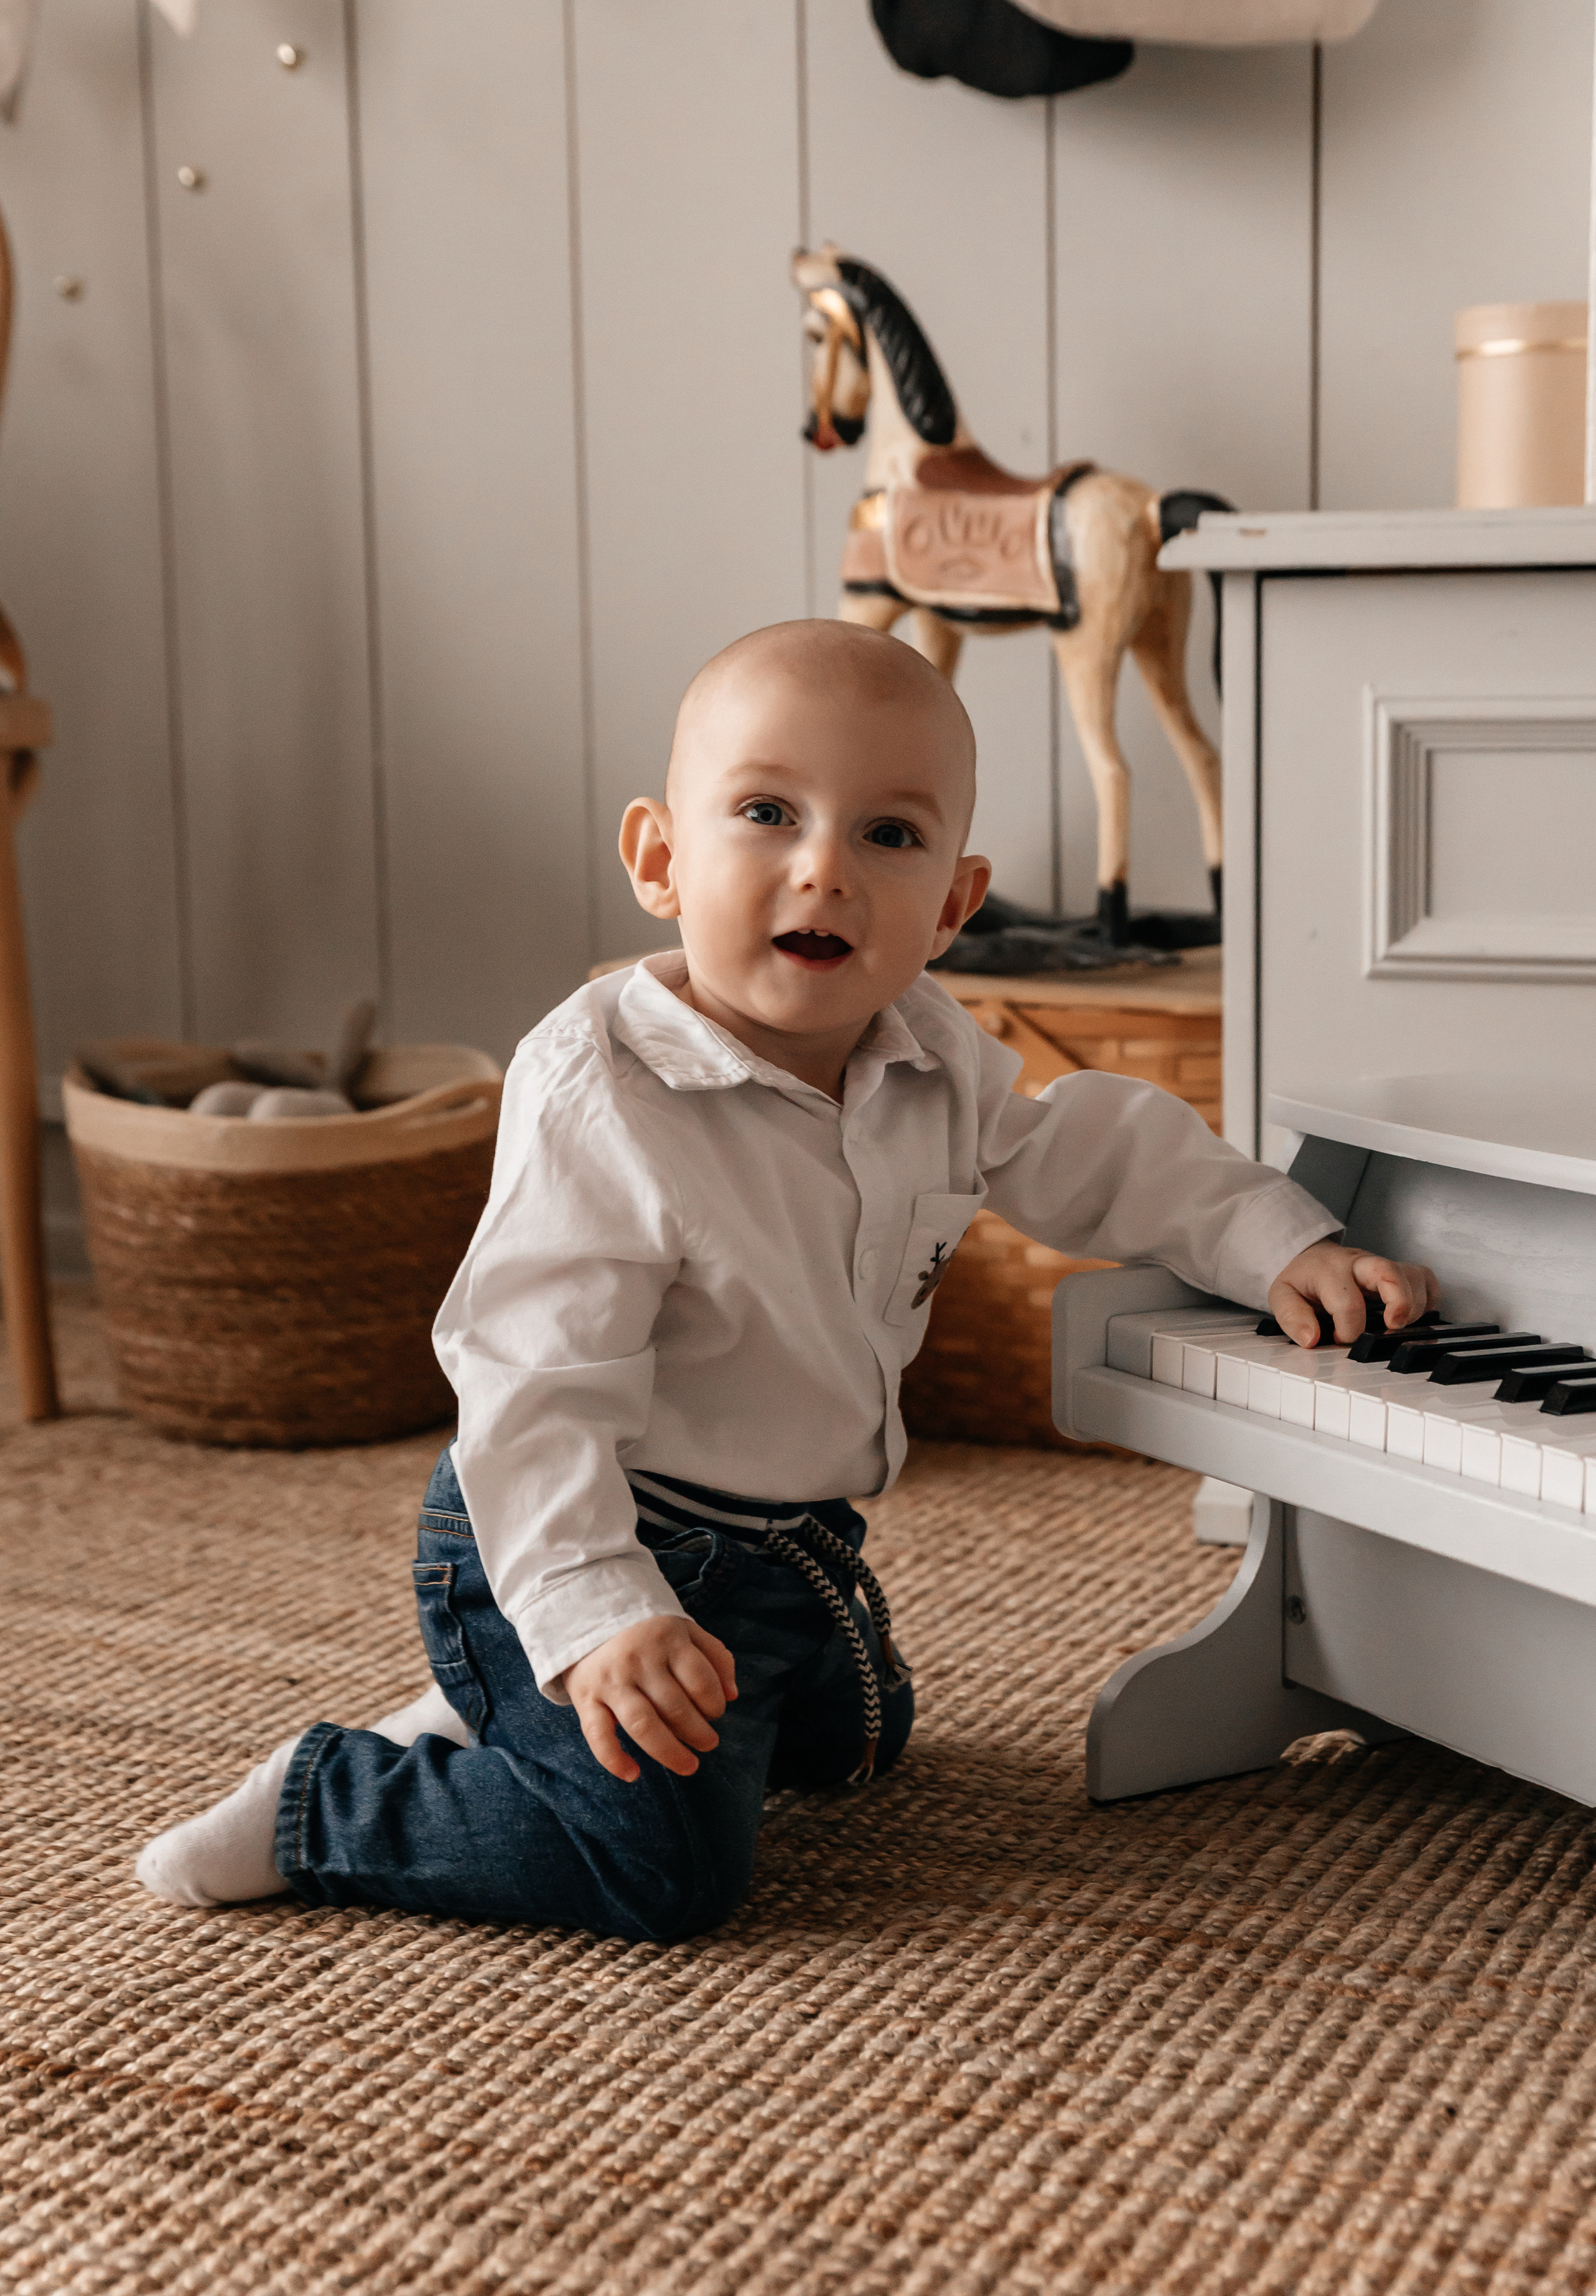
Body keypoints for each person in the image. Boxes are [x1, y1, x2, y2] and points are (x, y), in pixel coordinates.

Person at [136, 619, 1437, 1938]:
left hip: (793, 1543)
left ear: (951, 904)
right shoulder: (605, 1093)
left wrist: (1274, 1239)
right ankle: (343, 1793)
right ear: (658, 858)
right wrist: (594, 1615)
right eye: (766, 812)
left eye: (888, 834)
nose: (823, 869)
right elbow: (532, 1392)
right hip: (592, 1519)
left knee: (859, 1748)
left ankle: (523, 1707)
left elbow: (1088, 1154)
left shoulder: (926, 1051)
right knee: (659, 1870)